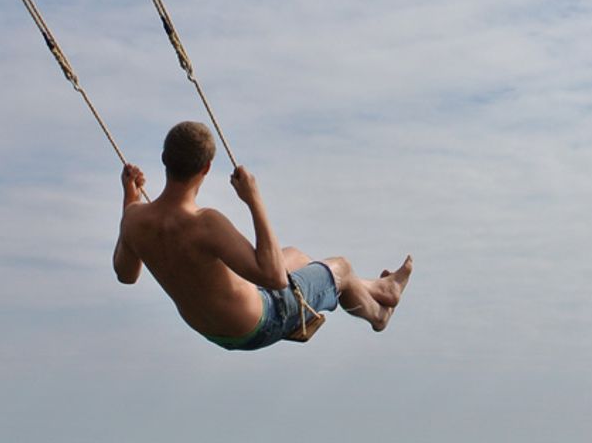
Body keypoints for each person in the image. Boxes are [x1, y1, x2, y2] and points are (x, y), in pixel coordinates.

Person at [113, 121, 413, 351]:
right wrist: (254, 198)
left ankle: (379, 288)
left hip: (211, 330)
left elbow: (126, 275)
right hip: (259, 323)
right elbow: (274, 279)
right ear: (206, 168)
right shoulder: (205, 224)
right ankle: (378, 315)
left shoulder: (134, 219)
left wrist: (130, 198)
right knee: (341, 269)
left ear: (164, 158)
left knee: (295, 256)